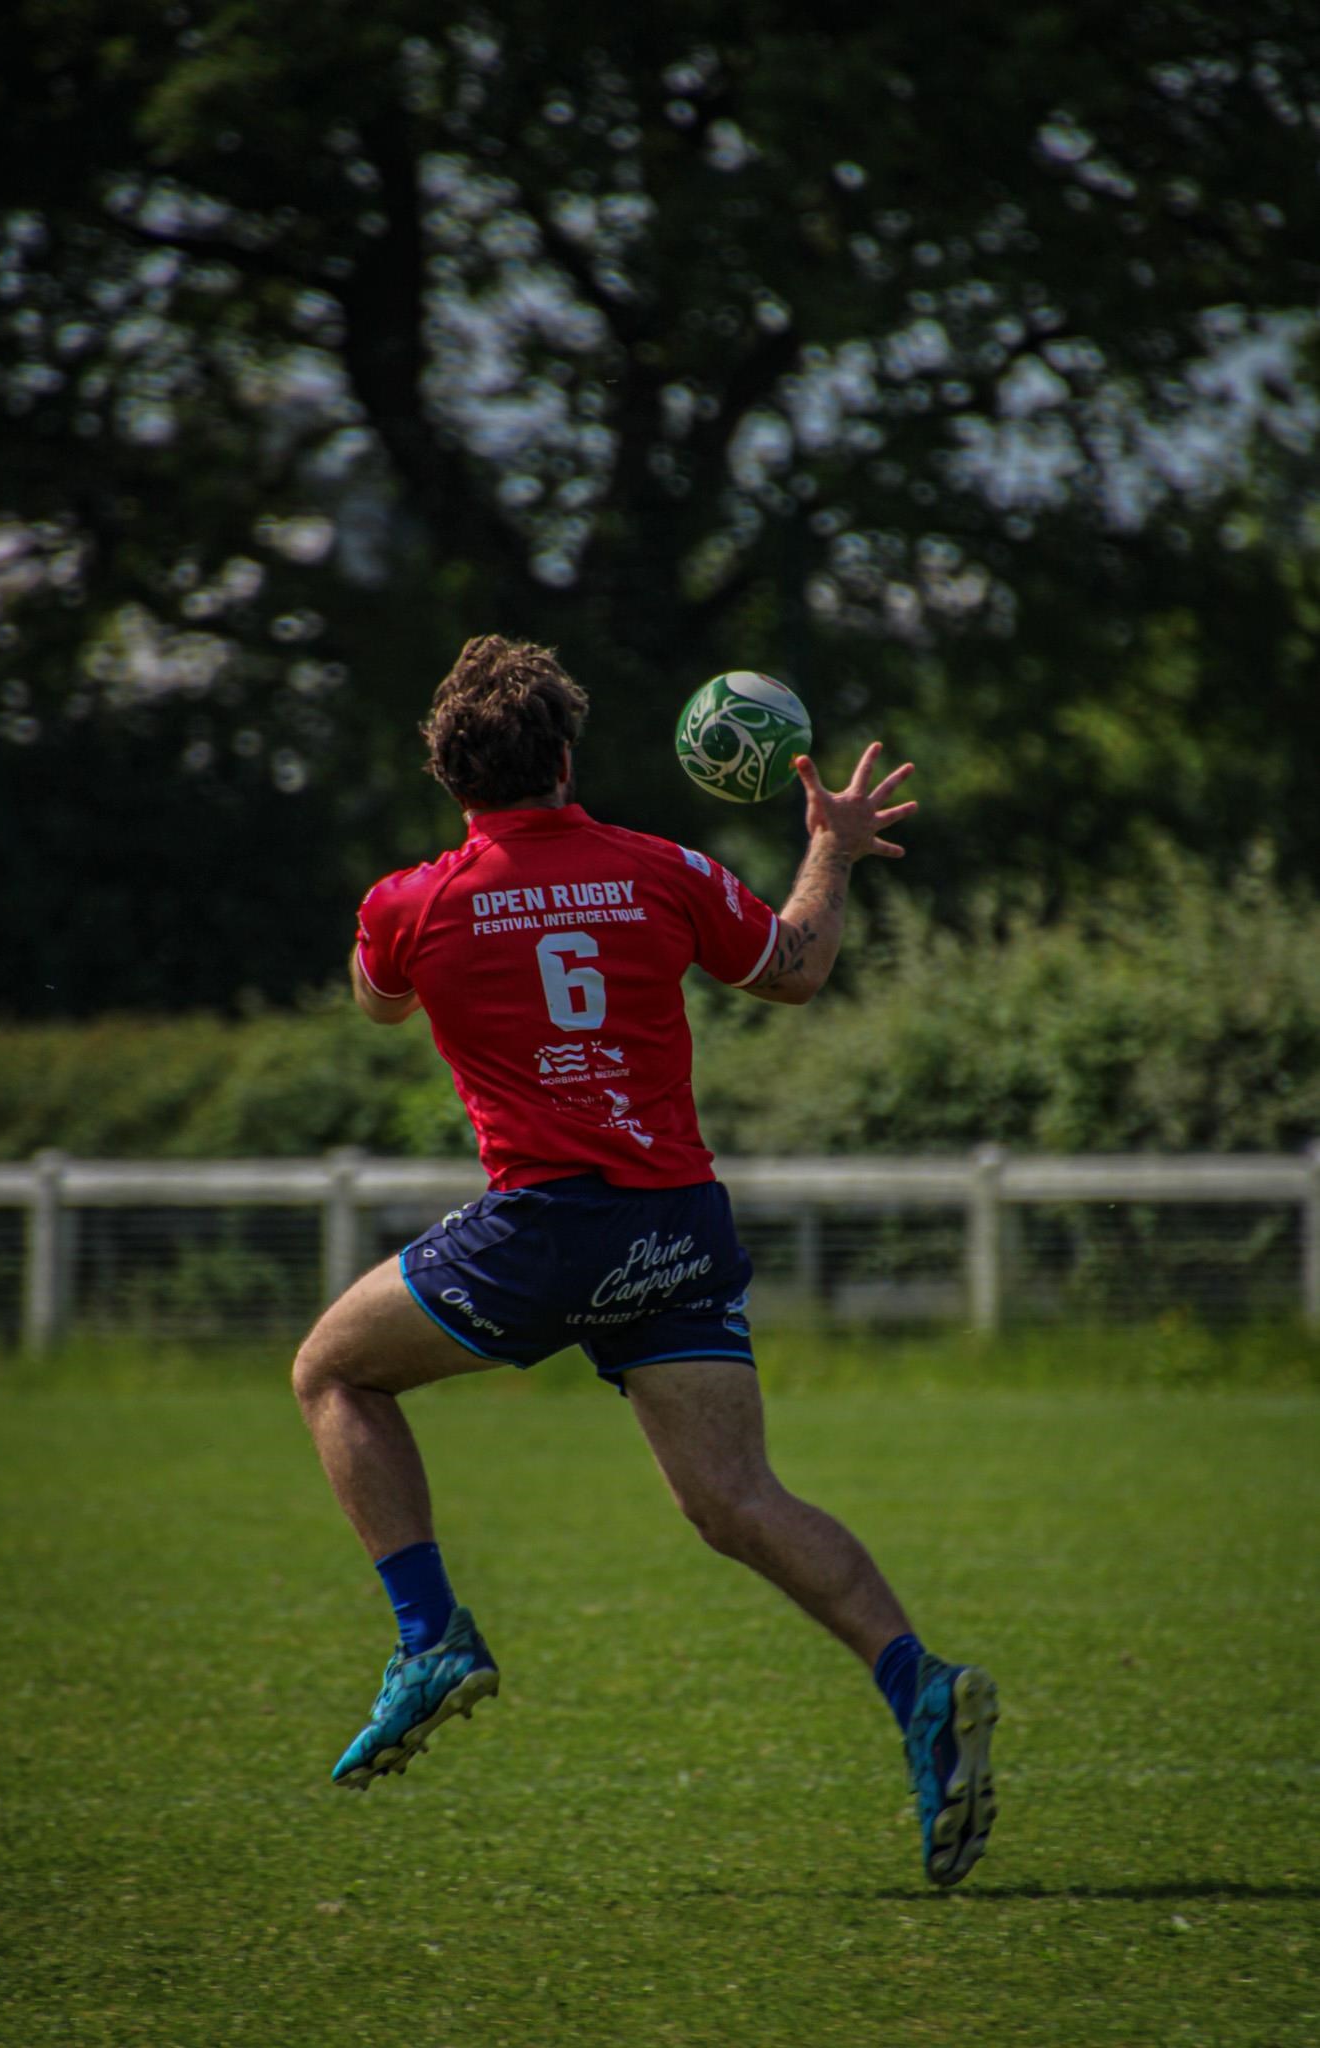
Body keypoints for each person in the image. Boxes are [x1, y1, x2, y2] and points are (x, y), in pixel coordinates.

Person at [291, 633, 998, 1888]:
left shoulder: (413, 902)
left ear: (450, 776)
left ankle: (429, 1635)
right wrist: (830, 847)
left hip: (543, 1229)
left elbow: (378, 997)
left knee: (332, 1372)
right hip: (675, 1223)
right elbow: (796, 969)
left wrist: (413, 922)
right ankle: (919, 1682)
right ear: (567, 759)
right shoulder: (661, 868)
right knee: (737, 1499)